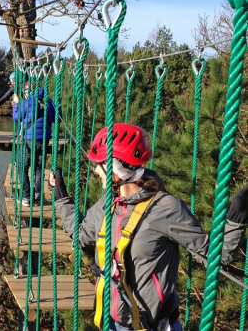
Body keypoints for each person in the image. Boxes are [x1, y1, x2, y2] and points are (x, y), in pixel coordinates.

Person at [49, 123, 248, 331]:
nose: (96, 170)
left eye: (100, 164)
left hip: (152, 326)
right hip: (111, 322)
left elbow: (218, 256)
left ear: (117, 169)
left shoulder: (165, 208)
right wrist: (61, 197)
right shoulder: (108, 203)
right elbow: (82, 235)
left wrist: (236, 219)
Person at [12, 84, 56, 206]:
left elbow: (16, 118)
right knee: (39, 168)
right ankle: (37, 197)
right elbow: (57, 118)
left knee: (22, 167)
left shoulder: (27, 102)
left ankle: (26, 196)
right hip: (44, 139)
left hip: (29, 138)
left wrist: (16, 104)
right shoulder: (49, 102)